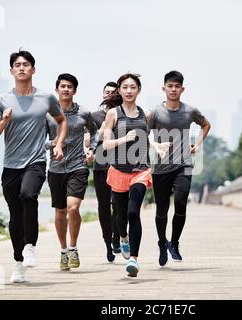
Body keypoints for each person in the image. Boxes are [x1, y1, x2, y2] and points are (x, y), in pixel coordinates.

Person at [0, 49, 67, 283]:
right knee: (15, 216)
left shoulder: (45, 98)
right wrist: (4, 120)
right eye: (17, 65)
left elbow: (61, 120)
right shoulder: (1, 100)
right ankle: (18, 263)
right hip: (11, 165)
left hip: (36, 161)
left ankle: (30, 246)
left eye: (26, 64)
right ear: (11, 71)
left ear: (33, 69)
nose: (22, 68)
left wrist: (59, 144)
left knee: (28, 195)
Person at [102, 73, 168, 277]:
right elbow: (105, 144)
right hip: (119, 170)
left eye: (133, 87)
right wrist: (124, 139)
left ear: (138, 90)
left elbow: (144, 136)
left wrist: (155, 145)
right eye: (125, 87)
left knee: (133, 212)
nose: (129, 91)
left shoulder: (145, 114)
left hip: (140, 170)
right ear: (119, 90)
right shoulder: (113, 114)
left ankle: (134, 260)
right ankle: (123, 237)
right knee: (121, 216)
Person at [150, 70, 211, 267]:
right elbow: (143, 131)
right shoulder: (156, 112)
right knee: (162, 210)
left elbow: (206, 125)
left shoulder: (190, 111)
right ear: (164, 88)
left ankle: (174, 243)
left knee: (181, 202)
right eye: (170, 86)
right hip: (160, 169)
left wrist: (198, 144)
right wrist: (155, 145)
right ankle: (162, 243)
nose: (173, 89)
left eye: (177, 86)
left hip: (184, 164)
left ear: (182, 89)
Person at [46, 73, 97, 271]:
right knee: (59, 211)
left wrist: (91, 149)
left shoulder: (83, 113)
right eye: (62, 86)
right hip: (56, 168)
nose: (66, 89)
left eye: (70, 86)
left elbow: (95, 132)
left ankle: (74, 247)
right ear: (57, 89)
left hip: (78, 166)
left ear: (74, 91)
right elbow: (38, 140)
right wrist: (52, 144)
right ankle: (63, 250)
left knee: (73, 208)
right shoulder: (48, 115)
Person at [91, 81, 122, 263]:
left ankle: (116, 237)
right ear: (103, 95)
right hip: (101, 166)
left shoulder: (123, 115)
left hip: (119, 164)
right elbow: (89, 141)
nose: (109, 95)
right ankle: (107, 243)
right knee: (103, 206)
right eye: (107, 92)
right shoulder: (94, 116)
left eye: (113, 92)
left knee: (117, 205)